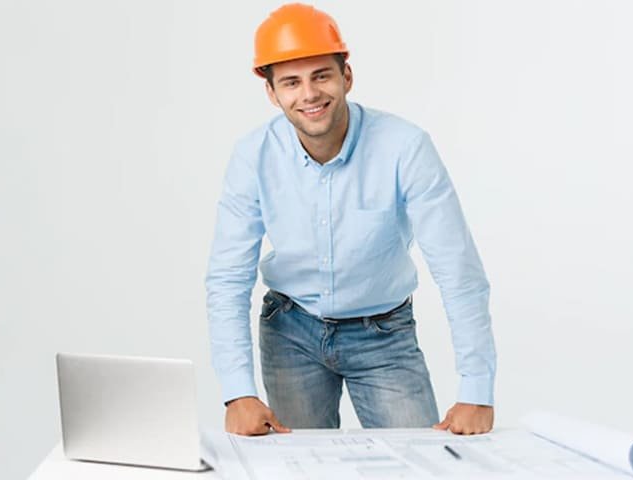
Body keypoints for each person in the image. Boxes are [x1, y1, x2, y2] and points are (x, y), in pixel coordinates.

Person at [206, 3, 496, 437]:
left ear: (347, 76)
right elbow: (228, 276)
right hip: (290, 331)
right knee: (301, 465)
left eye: (321, 75)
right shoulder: (253, 156)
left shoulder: (405, 148)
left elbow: (457, 269)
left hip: (384, 333)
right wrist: (237, 393)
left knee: (417, 461)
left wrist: (477, 390)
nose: (309, 94)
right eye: (291, 82)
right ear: (272, 93)